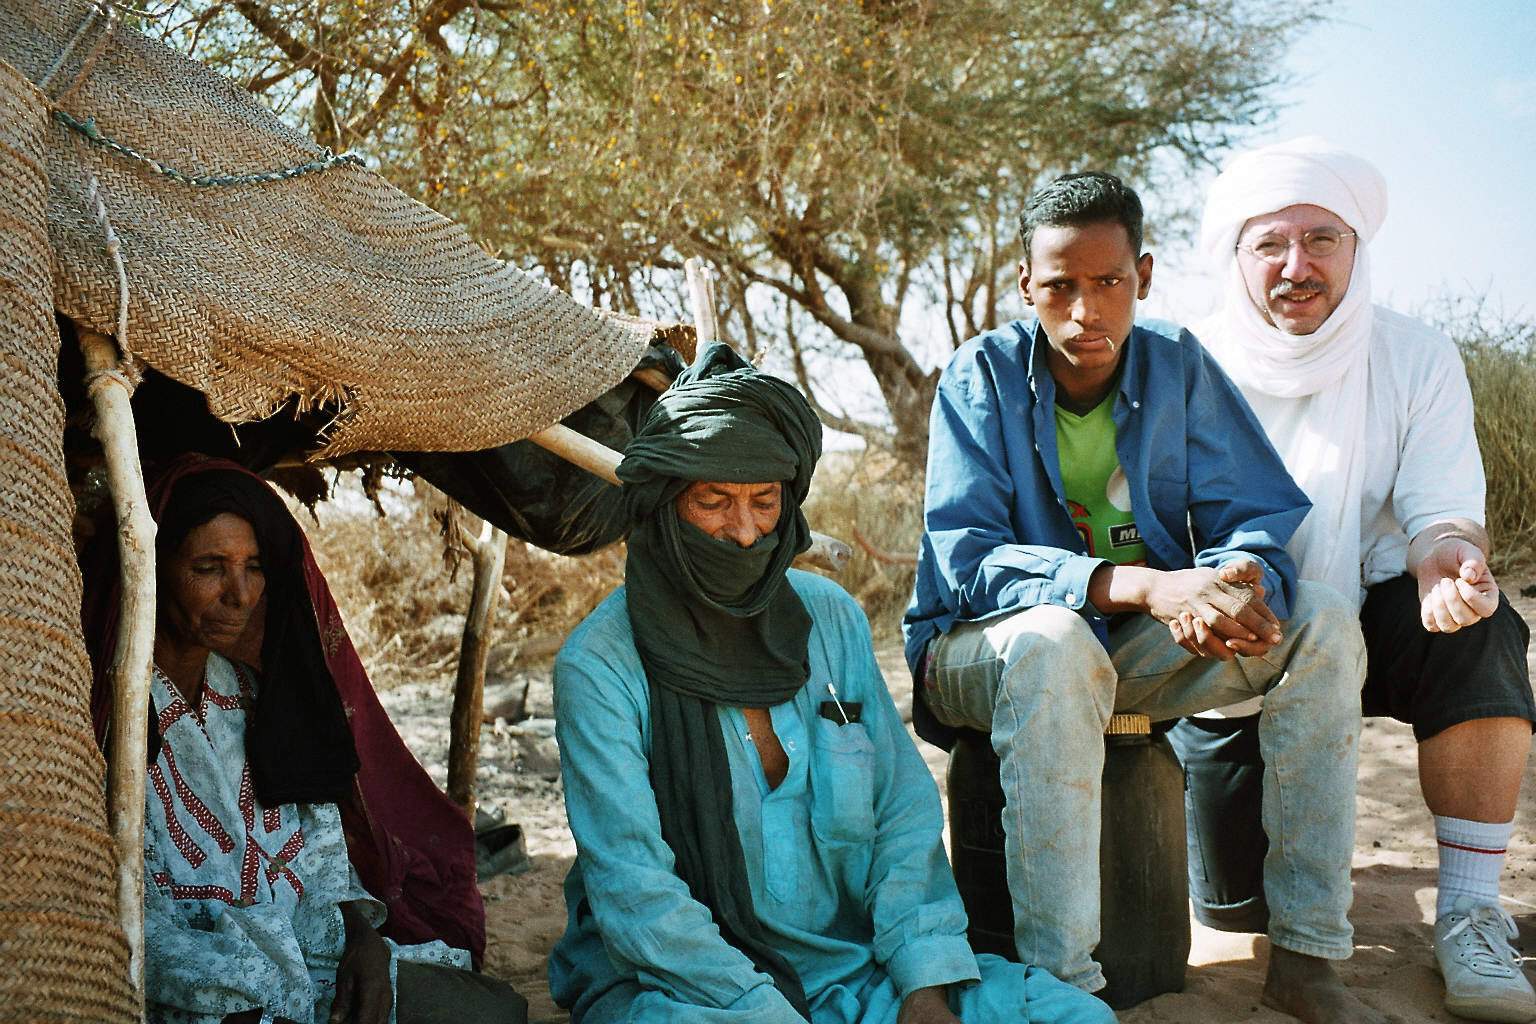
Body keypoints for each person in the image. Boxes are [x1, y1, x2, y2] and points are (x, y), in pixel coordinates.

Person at [903, 172, 1388, 1024]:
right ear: (1026, 286)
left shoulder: (1178, 366)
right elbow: (968, 559)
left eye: (1109, 282)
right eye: (1059, 285)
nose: (1086, 310)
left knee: (1324, 623)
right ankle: (1062, 992)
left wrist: (1233, 585)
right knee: (1054, 641)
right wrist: (1148, 584)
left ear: (1146, 275)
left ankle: (1307, 959)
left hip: (1123, 651)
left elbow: (1255, 515)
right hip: (979, 655)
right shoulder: (977, 376)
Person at [548, 344, 1113, 1024]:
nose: (746, 532)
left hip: (853, 966)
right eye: (712, 501)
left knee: (1075, 1018)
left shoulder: (830, 620)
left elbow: (901, 815)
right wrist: (764, 1010)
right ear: (666, 505)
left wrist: (923, 987)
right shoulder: (601, 666)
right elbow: (633, 891)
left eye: (764, 501)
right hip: (687, 989)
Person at [1169, 137, 1536, 1024]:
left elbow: (1443, 516)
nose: (1298, 267)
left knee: (1485, 630)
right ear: (1237, 255)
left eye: (1323, 240)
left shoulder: (1415, 356)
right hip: (1237, 645)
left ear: (1357, 249)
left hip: (1373, 611)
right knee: (1233, 911)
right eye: (1273, 245)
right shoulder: (1181, 364)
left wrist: (1454, 566)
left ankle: (1471, 912)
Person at [85, 456, 525, 1024]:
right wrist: (244, 993)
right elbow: (121, 912)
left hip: (313, 962)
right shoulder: (110, 714)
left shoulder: (261, 699)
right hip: (196, 988)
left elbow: (322, 858)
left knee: (498, 1011)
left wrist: (361, 938)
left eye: (255, 566)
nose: (239, 595)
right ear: (150, 566)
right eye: (209, 567)